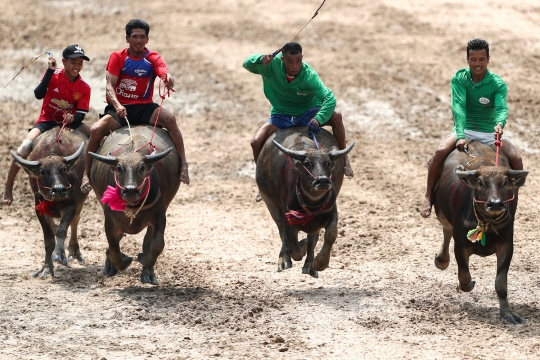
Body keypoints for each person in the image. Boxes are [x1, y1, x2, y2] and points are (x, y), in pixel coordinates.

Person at [80, 18, 189, 193]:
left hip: (145, 107)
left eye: (142, 37)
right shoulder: (118, 57)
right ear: (127, 39)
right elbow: (109, 87)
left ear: (147, 39)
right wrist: (117, 106)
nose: (138, 41)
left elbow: (163, 71)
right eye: (134, 37)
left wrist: (168, 79)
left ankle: (184, 164)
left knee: (171, 119)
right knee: (95, 130)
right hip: (121, 109)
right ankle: (86, 173)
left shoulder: (152, 57)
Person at [420, 38, 523, 218]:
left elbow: (501, 108)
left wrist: (499, 123)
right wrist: (460, 135)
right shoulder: (460, 78)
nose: (477, 64)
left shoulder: (497, 83)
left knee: (516, 157)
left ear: (488, 59)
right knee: (439, 153)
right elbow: (458, 108)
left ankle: (511, 202)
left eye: (481, 59)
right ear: (467, 59)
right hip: (465, 129)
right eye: (473, 59)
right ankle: (429, 196)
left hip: (490, 133)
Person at [244, 42, 353, 202]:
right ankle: (262, 183)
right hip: (281, 115)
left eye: (298, 60)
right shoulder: (271, 66)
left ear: (302, 58)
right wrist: (261, 59)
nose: (295, 65)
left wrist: (319, 118)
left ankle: (345, 159)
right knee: (255, 142)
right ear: (282, 59)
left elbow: (329, 98)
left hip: (307, 113)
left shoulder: (309, 75)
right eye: (290, 61)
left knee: (336, 116)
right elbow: (247, 64)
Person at [3, 45, 92, 205]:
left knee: (96, 135)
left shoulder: (84, 87)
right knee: (24, 147)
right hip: (46, 121)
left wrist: (73, 117)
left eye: (80, 63)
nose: (77, 66)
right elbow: (38, 94)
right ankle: (8, 187)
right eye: (73, 62)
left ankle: (91, 178)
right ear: (63, 62)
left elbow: (81, 114)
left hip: (69, 123)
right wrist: (50, 72)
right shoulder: (52, 75)